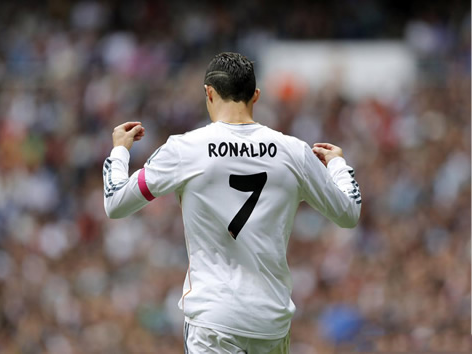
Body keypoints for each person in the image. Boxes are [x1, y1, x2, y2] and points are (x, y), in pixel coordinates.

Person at [103, 52, 361, 353]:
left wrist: (120, 151)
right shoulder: (294, 152)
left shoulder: (185, 149)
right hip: (271, 321)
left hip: (214, 319)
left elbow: (116, 202)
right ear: (256, 95)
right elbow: (349, 213)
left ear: (208, 93)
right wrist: (338, 165)